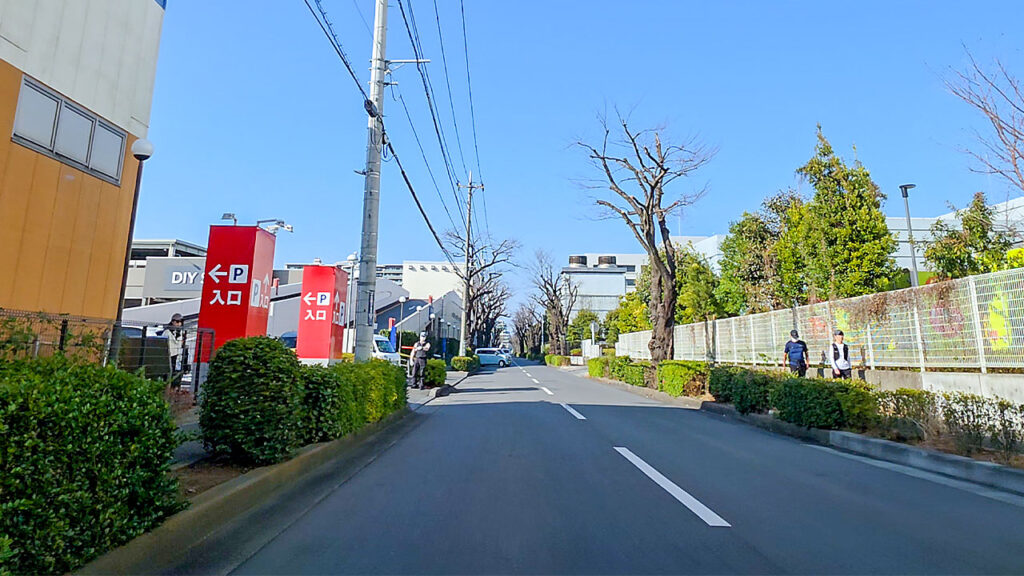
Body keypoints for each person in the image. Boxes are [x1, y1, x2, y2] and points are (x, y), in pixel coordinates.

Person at [158, 313, 188, 388]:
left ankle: (171, 387)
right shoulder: (167, 332)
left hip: (176, 355)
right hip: (168, 355)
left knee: (174, 372)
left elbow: (180, 344)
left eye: (181, 322)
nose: (179, 324)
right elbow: (163, 343)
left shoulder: (180, 332)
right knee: (167, 372)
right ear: (173, 322)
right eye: (177, 322)